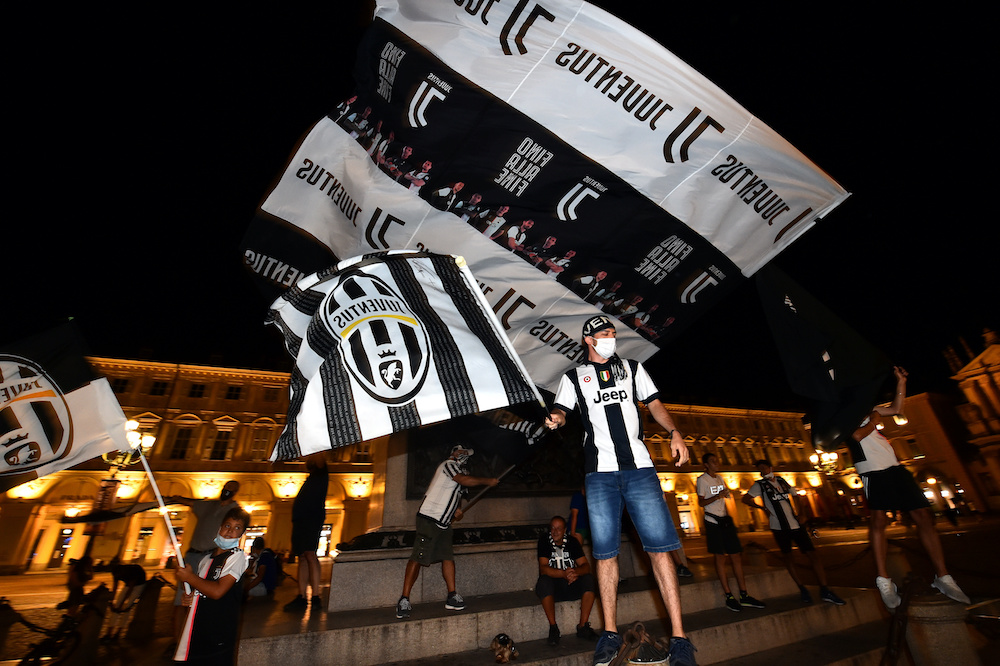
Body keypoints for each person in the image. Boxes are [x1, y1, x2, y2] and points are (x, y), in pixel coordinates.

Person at [544, 315, 697, 666]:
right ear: (589, 340)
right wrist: (555, 419)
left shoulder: (632, 368)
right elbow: (562, 410)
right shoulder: (573, 377)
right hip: (599, 474)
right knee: (605, 554)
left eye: (613, 333)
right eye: (603, 334)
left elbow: (654, 403)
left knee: (660, 551)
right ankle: (609, 635)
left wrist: (674, 431)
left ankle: (680, 639)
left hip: (639, 470)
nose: (611, 338)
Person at [848, 366, 970, 609]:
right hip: (872, 470)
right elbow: (857, 436)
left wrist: (901, 383)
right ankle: (884, 580)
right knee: (879, 521)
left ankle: (943, 577)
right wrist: (873, 420)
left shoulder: (869, 409)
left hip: (894, 466)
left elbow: (896, 409)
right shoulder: (842, 415)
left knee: (924, 516)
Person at [396, 445, 498, 620]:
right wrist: (487, 481)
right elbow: (463, 481)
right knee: (418, 556)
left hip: (444, 523)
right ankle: (404, 599)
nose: (465, 456)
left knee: (447, 556)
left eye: (467, 454)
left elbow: (456, 494)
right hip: (429, 518)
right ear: (455, 453)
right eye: (463, 453)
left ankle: (452, 595)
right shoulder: (448, 465)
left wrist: (456, 510)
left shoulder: (460, 470)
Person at [742, 459, 845, 605]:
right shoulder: (760, 485)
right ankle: (802, 587)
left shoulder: (782, 481)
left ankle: (825, 588)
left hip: (795, 523)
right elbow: (745, 499)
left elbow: (796, 496)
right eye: (760, 469)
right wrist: (761, 507)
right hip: (778, 527)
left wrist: (802, 513)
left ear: (770, 467)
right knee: (788, 557)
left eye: (764, 467)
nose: (763, 470)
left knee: (813, 555)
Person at [173, 506, 251, 665]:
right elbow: (201, 589)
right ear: (220, 528)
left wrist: (190, 577)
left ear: (242, 535)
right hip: (197, 630)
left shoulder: (237, 557)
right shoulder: (205, 560)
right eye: (227, 526)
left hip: (218, 634)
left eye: (237, 528)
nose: (230, 531)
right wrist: (190, 596)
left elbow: (217, 592)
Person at [165, 480, 241, 644]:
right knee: (181, 600)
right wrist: (175, 498)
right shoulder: (209, 505)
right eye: (226, 487)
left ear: (236, 492)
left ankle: (193, 639)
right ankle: (177, 641)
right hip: (192, 554)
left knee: (200, 599)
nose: (227, 490)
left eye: (231, 489)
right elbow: (191, 502)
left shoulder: (234, 510)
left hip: (209, 556)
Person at [696, 453, 765, 613]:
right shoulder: (702, 480)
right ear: (706, 465)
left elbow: (723, 498)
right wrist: (716, 496)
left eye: (717, 460)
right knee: (720, 557)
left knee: (736, 555)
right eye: (713, 461)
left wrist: (725, 497)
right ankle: (729, 596)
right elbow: (701, 502)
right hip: (712, 521)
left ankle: (744, 594)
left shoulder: (720, 478)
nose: (716, 463)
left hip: (725, 520)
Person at [536, 515, 598, 645]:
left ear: (564, 530)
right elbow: (544, 568)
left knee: (589, 579)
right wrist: (563, 574)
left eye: (559, 528)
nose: (555, 531)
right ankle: (553, 628)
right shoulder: (544, 541)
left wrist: (575, 573)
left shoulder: (572, 542)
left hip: (571, 583)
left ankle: (583, 627)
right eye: (552, 528)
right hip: (554, 587)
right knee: (543, 582)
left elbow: (586, 566)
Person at [284, 452, 329, 612]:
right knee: (302, 556)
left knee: (310, 554)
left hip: (311, 518)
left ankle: (315, 596)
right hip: (300, 519)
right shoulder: (311, 478)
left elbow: (319, 457)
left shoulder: (322, 474)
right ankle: (301, 596)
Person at [103, 562, 148, 641]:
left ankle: (118, 633)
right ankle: (109, 633)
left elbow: (130, 590)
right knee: (116, 607)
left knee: (127, 608)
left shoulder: (130, 571)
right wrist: (112, 601)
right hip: (129, 584)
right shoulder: (116, 573)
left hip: (139, 585)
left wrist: (121, 605)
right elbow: (115, 587)